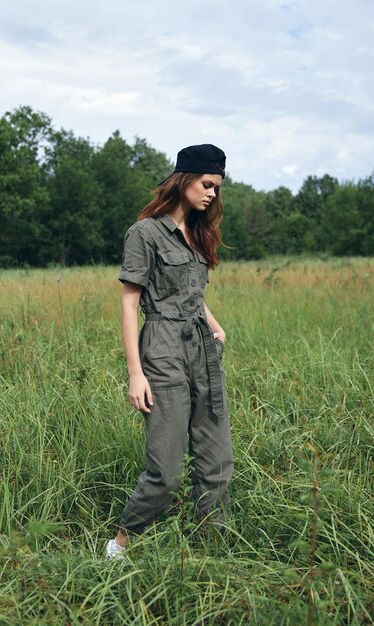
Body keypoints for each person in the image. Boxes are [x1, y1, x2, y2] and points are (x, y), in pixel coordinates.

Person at [106, 144, 234, 559]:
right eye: (206, 184)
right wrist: (136, 373)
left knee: (216, 461)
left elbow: (192, 295)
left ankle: (209, 551)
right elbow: (129, 302)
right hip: (161, 350)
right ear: (183, 181)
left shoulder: (198, 234)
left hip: (202, 348)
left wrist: (214, 327)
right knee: (165, 471)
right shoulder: (144, 233)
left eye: (216, 187)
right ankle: (119, 544)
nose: (212, 194)